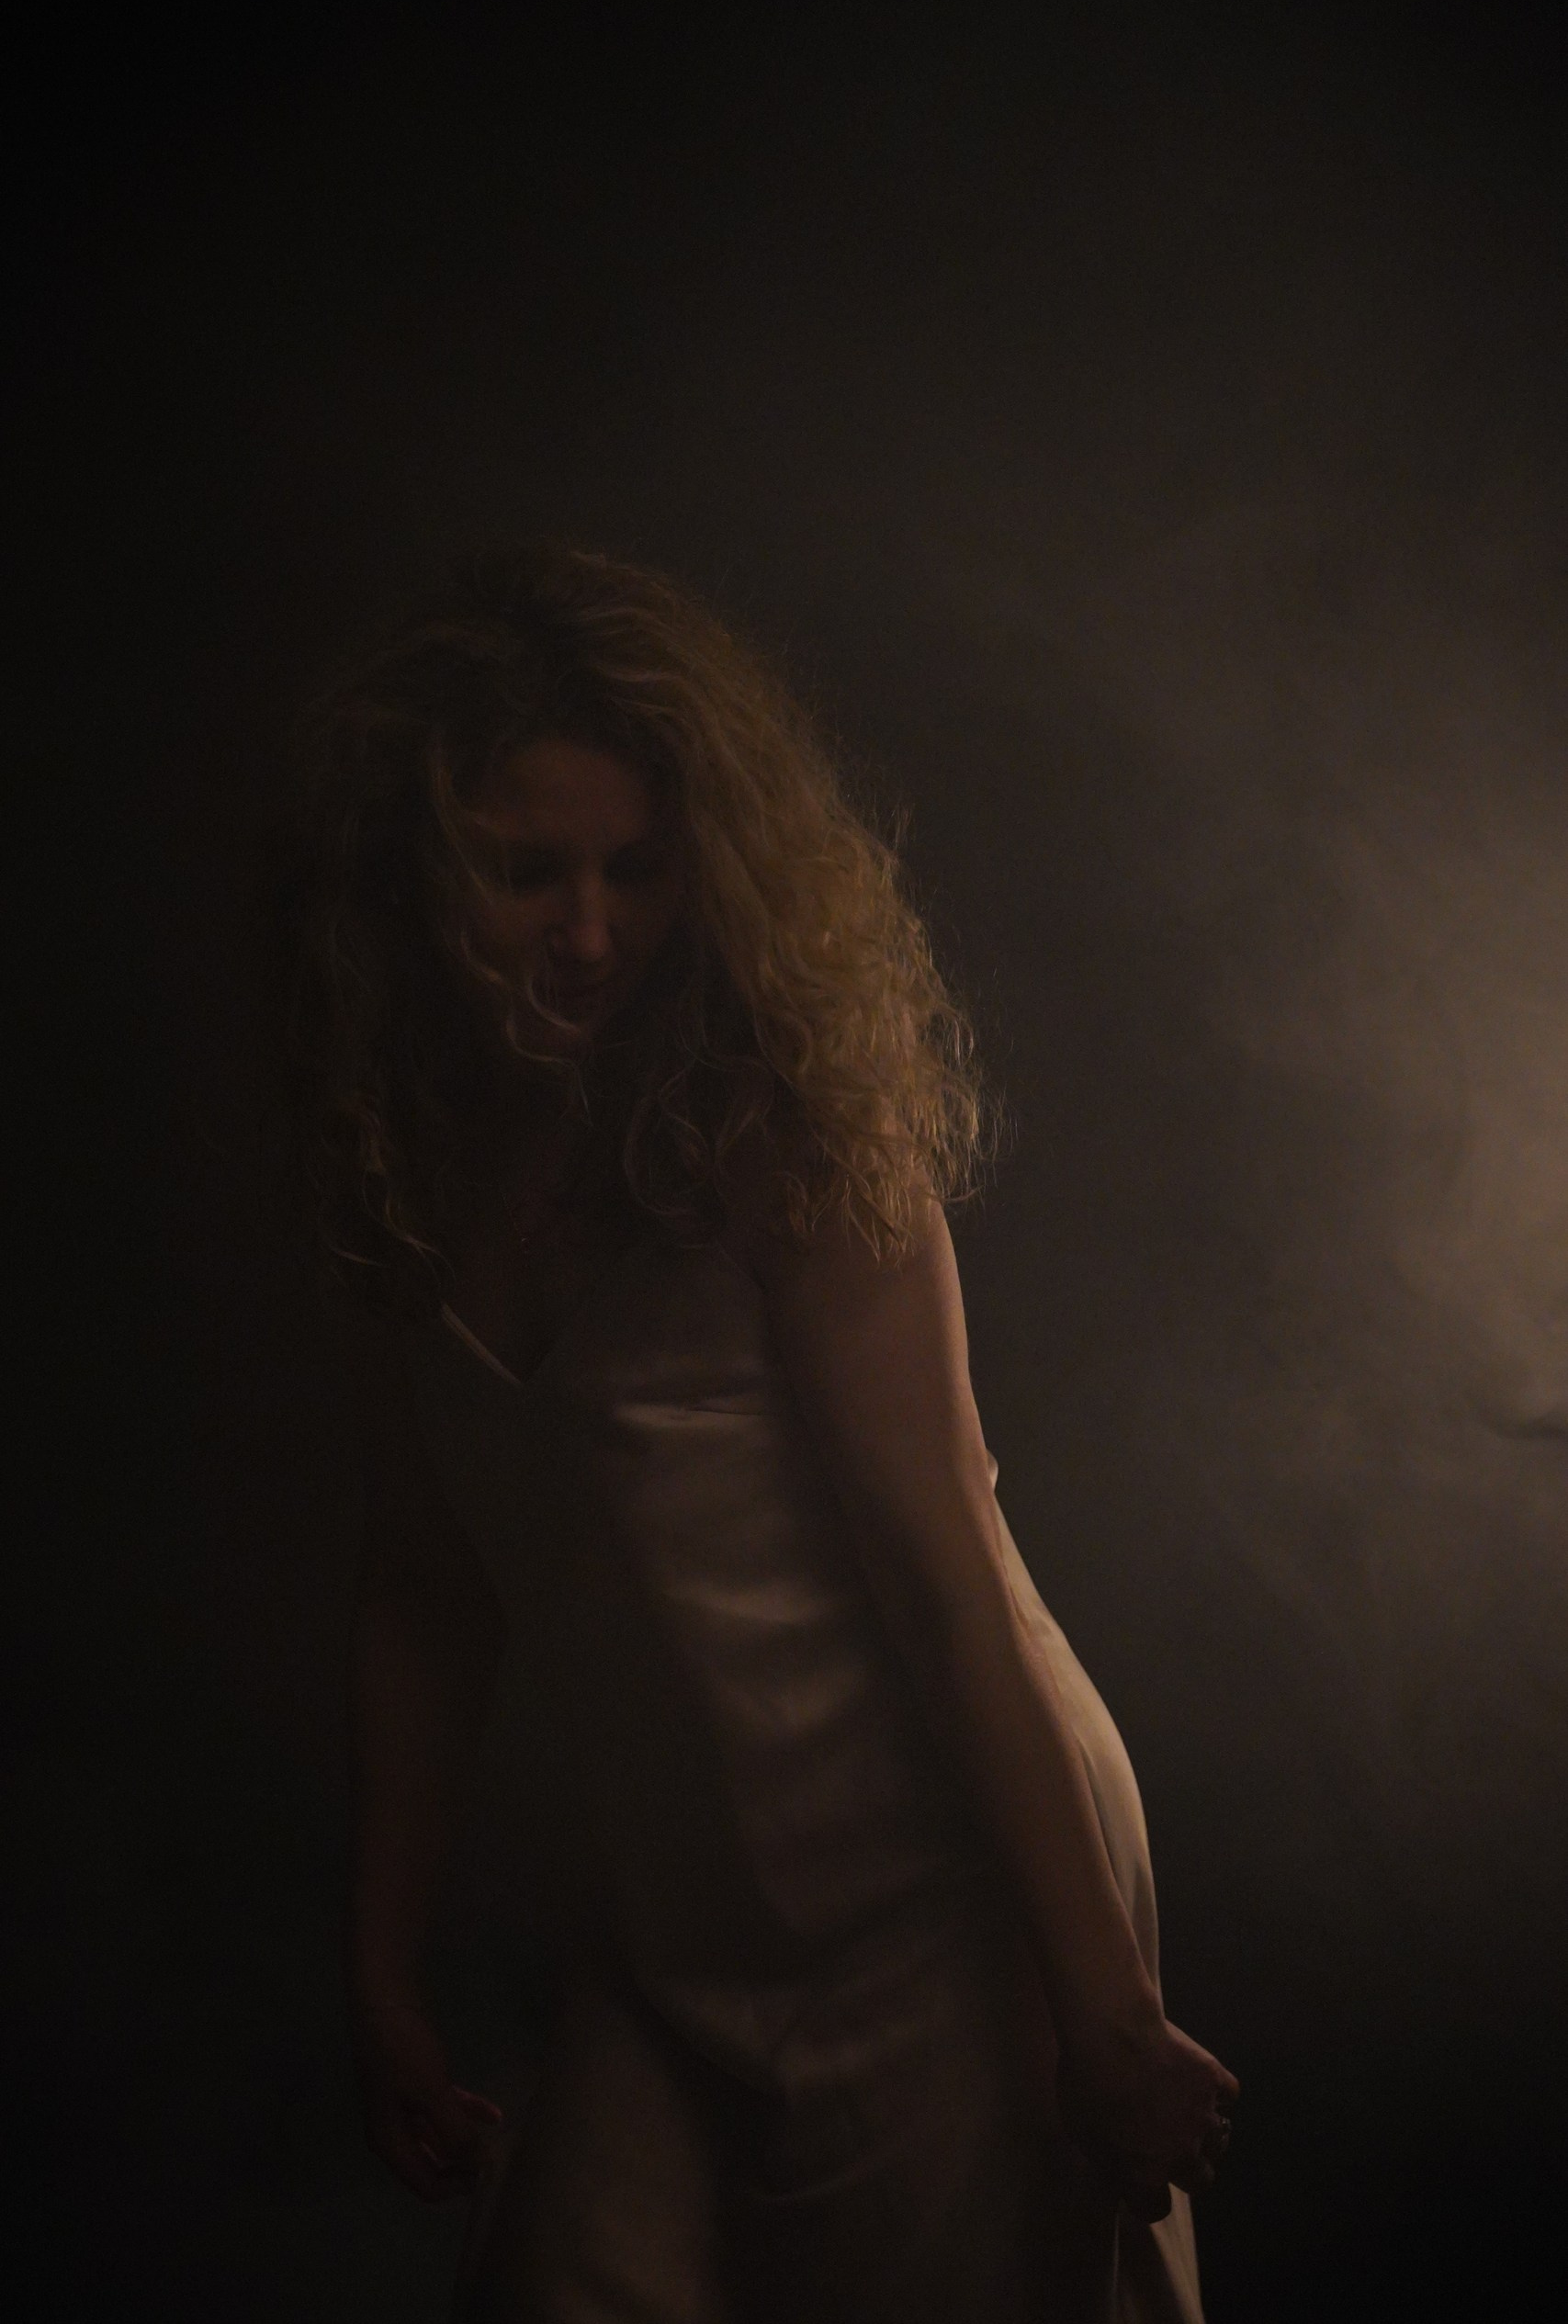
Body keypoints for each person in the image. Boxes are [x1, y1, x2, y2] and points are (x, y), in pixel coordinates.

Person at [286, 545, 1237, 2322]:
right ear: (414, 871)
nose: (591, 930)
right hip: (664, 1939)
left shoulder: (780, 1132)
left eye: (638, 869)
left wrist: (1104, 2012)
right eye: (527, 873)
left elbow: (948, 1575)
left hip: (939, 1897)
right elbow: (424, 1589)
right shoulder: (401, 1159)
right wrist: (381, 1970)